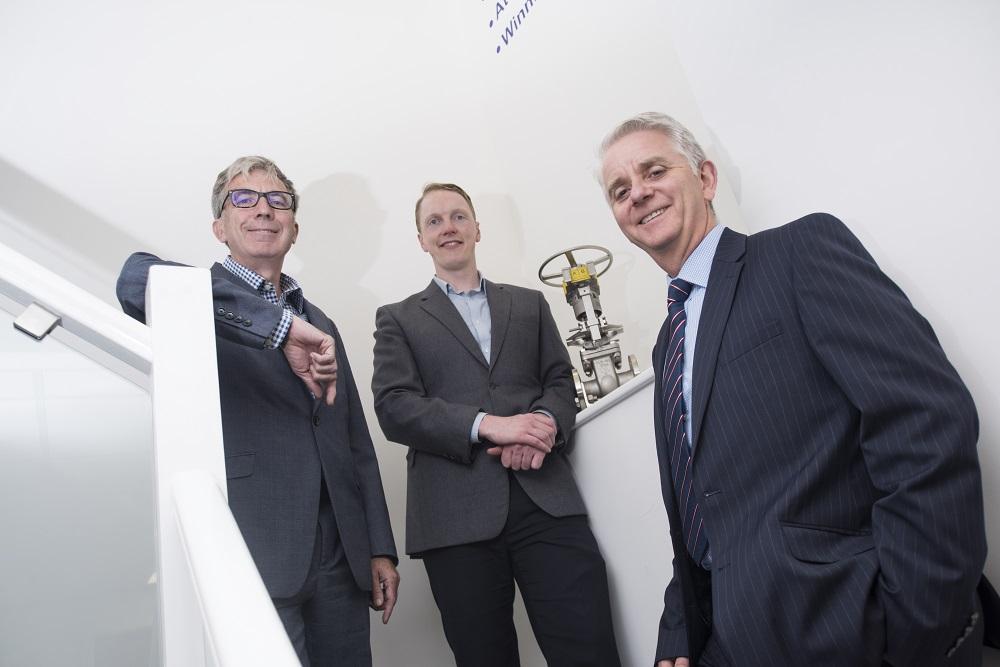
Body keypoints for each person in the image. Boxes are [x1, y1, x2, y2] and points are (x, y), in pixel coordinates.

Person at [597, 112, 994, 667]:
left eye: (654, 170)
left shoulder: (796, 253)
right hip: (733, 643)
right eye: (619, 191)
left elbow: (926, 421)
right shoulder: (669, 343)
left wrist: (914, 628)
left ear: (706, 179)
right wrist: (678, 642)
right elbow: (701, 511)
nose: (637, 194)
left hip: (847, 630)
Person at [116, 156, 398, 667]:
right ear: (220, 227)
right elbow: (133, 278)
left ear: (294, 227)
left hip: (340, 558)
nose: (263, 210)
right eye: (244, 199)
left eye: (278, 200)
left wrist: (379, 546)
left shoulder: (323, 321)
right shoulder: (196, 301)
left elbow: (355, 443)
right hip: (253, 546)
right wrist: (279, 329)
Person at [371, 183, 620, 666]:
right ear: (421, 239)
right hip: (454, 519)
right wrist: (490, 425)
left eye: (459, 217)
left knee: (589, 649)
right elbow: (394, 406)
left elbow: (559, 381)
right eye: (435, 221)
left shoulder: (528, 304)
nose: (449, 228)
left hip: (545, 502)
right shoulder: (398, 319)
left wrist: (544, 423)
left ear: (477, 228)